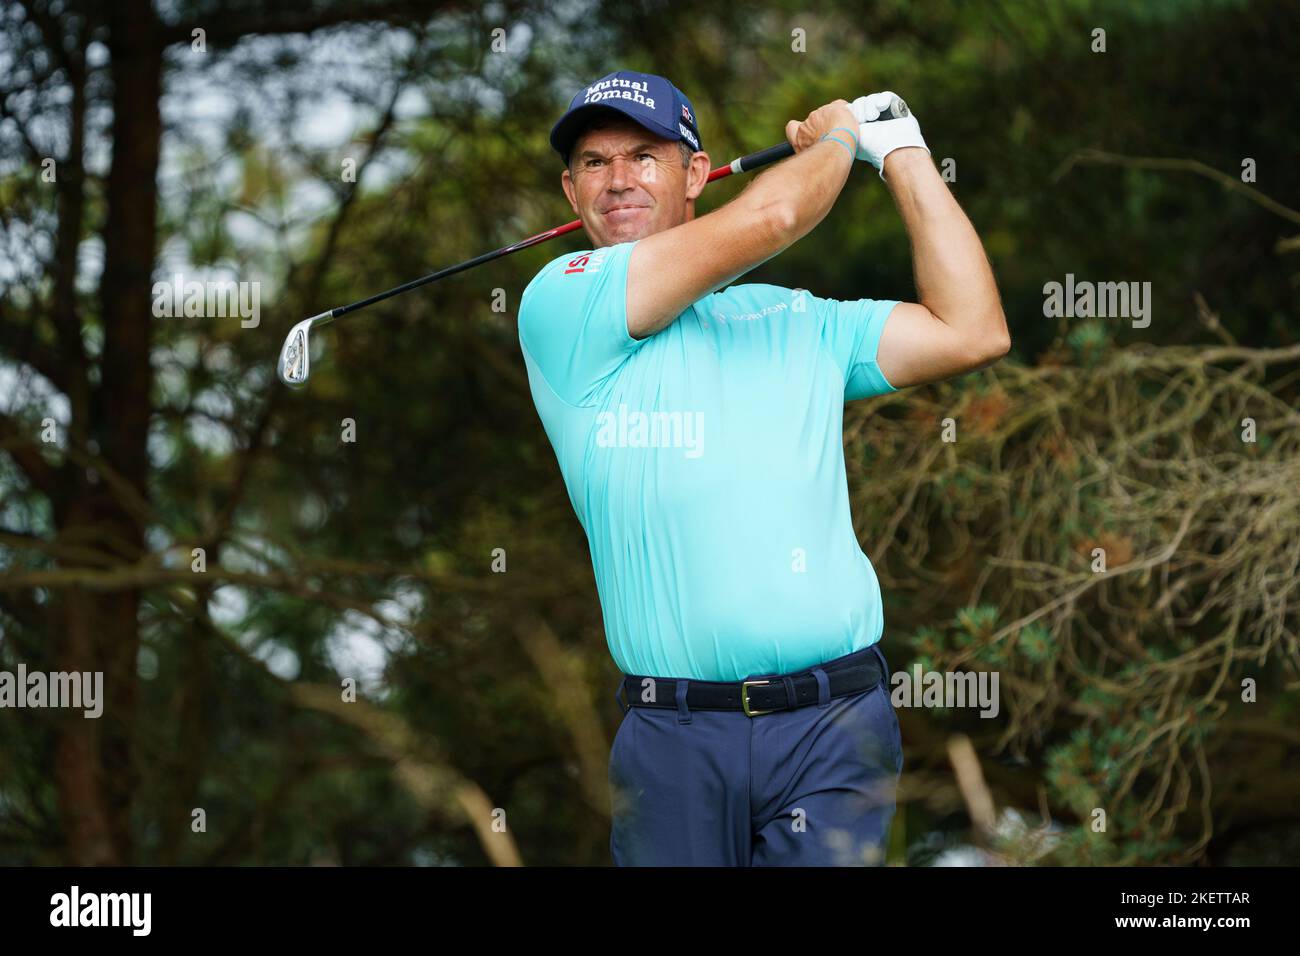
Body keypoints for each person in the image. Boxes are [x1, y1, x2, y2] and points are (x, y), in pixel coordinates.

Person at [517, 69, 1009, 866]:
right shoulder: (561, 304)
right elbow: (777, 211)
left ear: (695, 174)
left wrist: (903, 152)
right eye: (595, 163)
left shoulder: (794, 317)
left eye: (644, 155)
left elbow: (972, 328)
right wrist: (841, 140)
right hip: (673, 740)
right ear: (570, 191)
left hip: (835, 726)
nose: (617, 180)